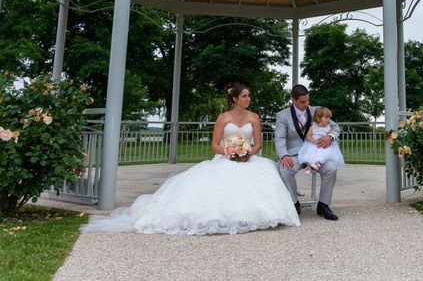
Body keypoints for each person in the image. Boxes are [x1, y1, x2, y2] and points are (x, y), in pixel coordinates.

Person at [81, 83, 299, 235]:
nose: (248, 99)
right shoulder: (223, 118)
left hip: (249, 160)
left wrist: (248, 153)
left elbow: (259, 143)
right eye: (244, 96)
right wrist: (230, 153)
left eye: (249, 96)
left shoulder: (254, 117)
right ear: (234, 98)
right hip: (226, 158)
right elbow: (214, 144)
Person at [275, 84, 341, 221]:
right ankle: (294, 204)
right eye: (302, 102)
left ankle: (323, 205)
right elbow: (279, 138)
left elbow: (336, 127)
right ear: (293, 100)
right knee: (285, 169)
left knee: (331, 168)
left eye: (308, 100)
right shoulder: (282, 115)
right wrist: (284, 155)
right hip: (294, 154)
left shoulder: (317, 111)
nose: (306, 104)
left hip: (316, 153)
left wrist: (330, 137)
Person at [298, 106, 345, 172]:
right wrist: (314, 141)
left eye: (329, 118)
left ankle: (318, 163)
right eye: (326, 118)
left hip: (323, 146)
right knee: (310, 155)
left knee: (324, 154)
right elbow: (308, 136)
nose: (328, 120)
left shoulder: (328, 128)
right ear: (319, 118)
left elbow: (330, 136)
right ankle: (309, 166)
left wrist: (329, 138)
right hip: (313, 145)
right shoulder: (313, 127)